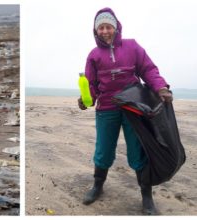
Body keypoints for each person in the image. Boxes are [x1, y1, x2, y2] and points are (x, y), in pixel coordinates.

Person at [78, 7, 173, 215]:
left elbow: (148, 70)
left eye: (108, 26)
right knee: (103, 150)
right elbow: (92, 85)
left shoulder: (132, 47)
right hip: (107, 108)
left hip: (132, 108)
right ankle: (97, 186)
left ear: (116, 27)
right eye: (101, 27)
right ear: (96, 31)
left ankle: (146, 196)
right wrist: (87, 100)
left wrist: (161, 88)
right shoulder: (93, 55)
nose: (105, 31)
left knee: (137, 151)